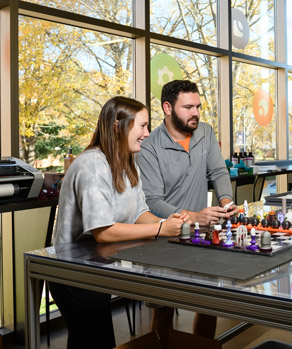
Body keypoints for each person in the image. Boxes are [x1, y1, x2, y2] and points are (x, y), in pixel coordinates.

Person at [50, 96, 187, 349]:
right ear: (117, 126)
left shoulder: (126, 161)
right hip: (73, 273)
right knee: (92, 341)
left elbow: (138, 212)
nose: (147, 133)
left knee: (99, 340)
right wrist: (160, 229)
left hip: (97, 266)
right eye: (142, 126)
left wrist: (170, 224)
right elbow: (103, 232)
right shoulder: (92, 164)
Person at [137, 79, 237, 340]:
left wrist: (226, 201)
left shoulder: (205, 131)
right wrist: (192, 216)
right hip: (163, 237)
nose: (195, 112)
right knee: (163, 309)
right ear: (167, 108)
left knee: (209, 304)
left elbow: (217, 171)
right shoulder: (148, 146)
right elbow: (152, 200)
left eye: (198, 106)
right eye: (188, 107)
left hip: (202, 236)